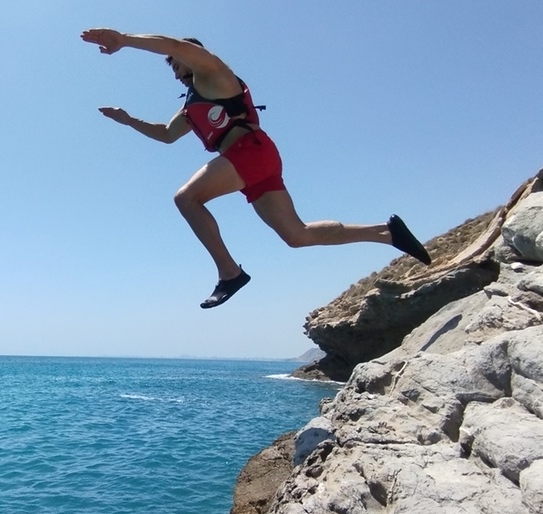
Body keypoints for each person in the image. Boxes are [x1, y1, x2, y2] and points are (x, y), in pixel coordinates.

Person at [80, 28, 432, 309]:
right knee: (297, 235)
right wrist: (128, 121)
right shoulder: (191, 105)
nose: (173, 70)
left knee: (186, 199)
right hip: (257, 159)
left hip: (249, 151)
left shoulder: (214, 73)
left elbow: (172, 43)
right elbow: (166, 135)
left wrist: (124, 40)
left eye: (175, 63)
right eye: (170, 66)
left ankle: (229, 273)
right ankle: (386, 232)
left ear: (192, 56)